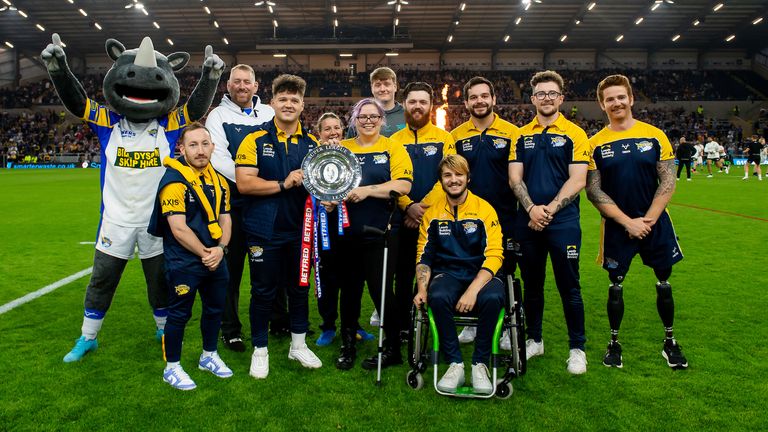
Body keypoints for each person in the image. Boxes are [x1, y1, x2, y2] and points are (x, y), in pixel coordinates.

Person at [45, 36, 225, 363]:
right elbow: (77, 103)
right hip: (115, 221)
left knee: (159, 283)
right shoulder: (108, 123)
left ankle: (162, 330)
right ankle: (87, 338)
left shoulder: (168, 126)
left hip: (158, 223)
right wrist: (59, 70)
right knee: (102, 281)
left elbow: (195, 110)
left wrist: (209, 79)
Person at [586, 74, 688, 369]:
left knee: (664, 281)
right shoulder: (595, 143)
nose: (616, 103)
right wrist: (627, 222)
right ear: (601, 105)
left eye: (621, 97)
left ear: (631, 98)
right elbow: (593, 189)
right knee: (616, 284)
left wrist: (649, 219)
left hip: (655, 223)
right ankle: (613, 343)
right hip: (618, 226)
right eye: (610, 99)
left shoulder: (654, 135)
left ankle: (670, 341)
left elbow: (667, 180)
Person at [235, 74, 322, 379]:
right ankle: (260, 350)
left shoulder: (313, 144)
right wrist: (283, 184)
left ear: (302, 105)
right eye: (282, 99)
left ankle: (298, 345)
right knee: (263, 291)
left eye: (294, 100)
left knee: (300, 288)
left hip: (302, 230)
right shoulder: (254, 139)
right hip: (264, 231)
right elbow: (245, 184)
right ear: (272, 102)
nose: (288, 104)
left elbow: (322, 186)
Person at [509, 70, 590, 375]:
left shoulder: (575, 133)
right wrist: (531, 209)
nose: (546, 98)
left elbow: (578, 179)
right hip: (527, 221)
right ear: (532, 99)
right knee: (532, 285)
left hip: (563, 222)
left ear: (561, 98)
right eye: (540, 94)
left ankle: (577, 347)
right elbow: (514, 177)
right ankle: (534, 340)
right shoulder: (520, 134)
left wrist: (550, 210)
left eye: (552, 93)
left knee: (569, 286)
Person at [148, 123, 233, 390]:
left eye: (205, 144)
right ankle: (171, 367)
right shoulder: (173, 180)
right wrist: (206, 253)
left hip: (216, 258)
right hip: (184, 261)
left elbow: (226, 218)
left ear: (213, 146)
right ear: (182, 148)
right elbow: (179, 228)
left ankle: (208, 355)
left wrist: (220, 249)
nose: (200, 150)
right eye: (193, 145)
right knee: (179, 315)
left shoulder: (219, 180)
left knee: (215, 309)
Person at [413, 154, 504, 394]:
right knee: (438, 296)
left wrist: (473, 291)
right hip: (448, 273)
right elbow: (424, 256)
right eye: (448, 175)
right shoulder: (432, 214)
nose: (454, 180)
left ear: (468, 178)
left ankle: (480, 364)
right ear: (441, 181)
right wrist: (422, 288)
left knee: (493, 298)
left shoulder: (484, 210)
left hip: (481, 274)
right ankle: (454, 364)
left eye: (458, 175)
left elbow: (495, 254)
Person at [334, 98, 412, 370]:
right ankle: (348, 344)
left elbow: (402, 185)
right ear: (354, 119)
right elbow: (327, 181)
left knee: (381, 292)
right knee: (350, 290)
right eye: (362, 116)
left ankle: (391, 348)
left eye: (373, 116)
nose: (368, 121)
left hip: (382, 231)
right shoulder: (342, 148)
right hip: (345, 231)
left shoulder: (393, 147)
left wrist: (367, 191)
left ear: (382, 120)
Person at [205, 64, 279, 353]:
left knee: (270, 266)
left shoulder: (270, 113)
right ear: (228, 86)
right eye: (236, 82)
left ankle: (278, 320)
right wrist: (253, 180)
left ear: (256, 86)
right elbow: (218, 158)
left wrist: (264, 184)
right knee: (231, 271)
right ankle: (231, 329)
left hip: (267, 202)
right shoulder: (218, 115)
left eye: (247, 82)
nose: (242, 86)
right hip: (233, 203)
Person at [449, 76, 521, 347]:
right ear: (466, 102)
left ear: (493, 99)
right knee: (469, 267)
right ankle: (471, 322)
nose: (479, 101)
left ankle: (502, 328)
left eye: (484, 96)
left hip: (503, 217)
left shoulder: (512, 132)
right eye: (473, 97)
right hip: (467, 217)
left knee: (501, 272)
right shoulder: (457, 136)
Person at [389, 82, 456, 341]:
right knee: (404, 274)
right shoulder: (394, 140)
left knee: (436, 274)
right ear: (404, 104)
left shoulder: (443, 138)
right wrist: (408, 206)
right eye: (413, 102)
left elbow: (447, 179)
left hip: (434, 220)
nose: (417, 106)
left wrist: (421, 209)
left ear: (431, 105)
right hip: (402, 219)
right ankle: (405, 325)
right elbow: (391, 178)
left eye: (423, 102)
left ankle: (436, 323)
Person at [313, 112, 376, 346]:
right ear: (319, 134)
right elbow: (308, 195)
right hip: (325, 227)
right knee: (327, 278)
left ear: (343, 130)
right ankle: (327, 326)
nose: (333, 132)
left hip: (351, 224)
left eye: (336, 128)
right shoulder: (314, 159)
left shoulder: (352, 155)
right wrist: (323, 204)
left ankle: (353, 324)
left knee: (354, 279)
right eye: (327, 129)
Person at [346, 67, 406, 139]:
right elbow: (348, 147)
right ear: (372, 88)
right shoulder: (360, 117)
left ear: (395, 87)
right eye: (378, 85)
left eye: (387, 84)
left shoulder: (408, 115)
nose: (382, 89)